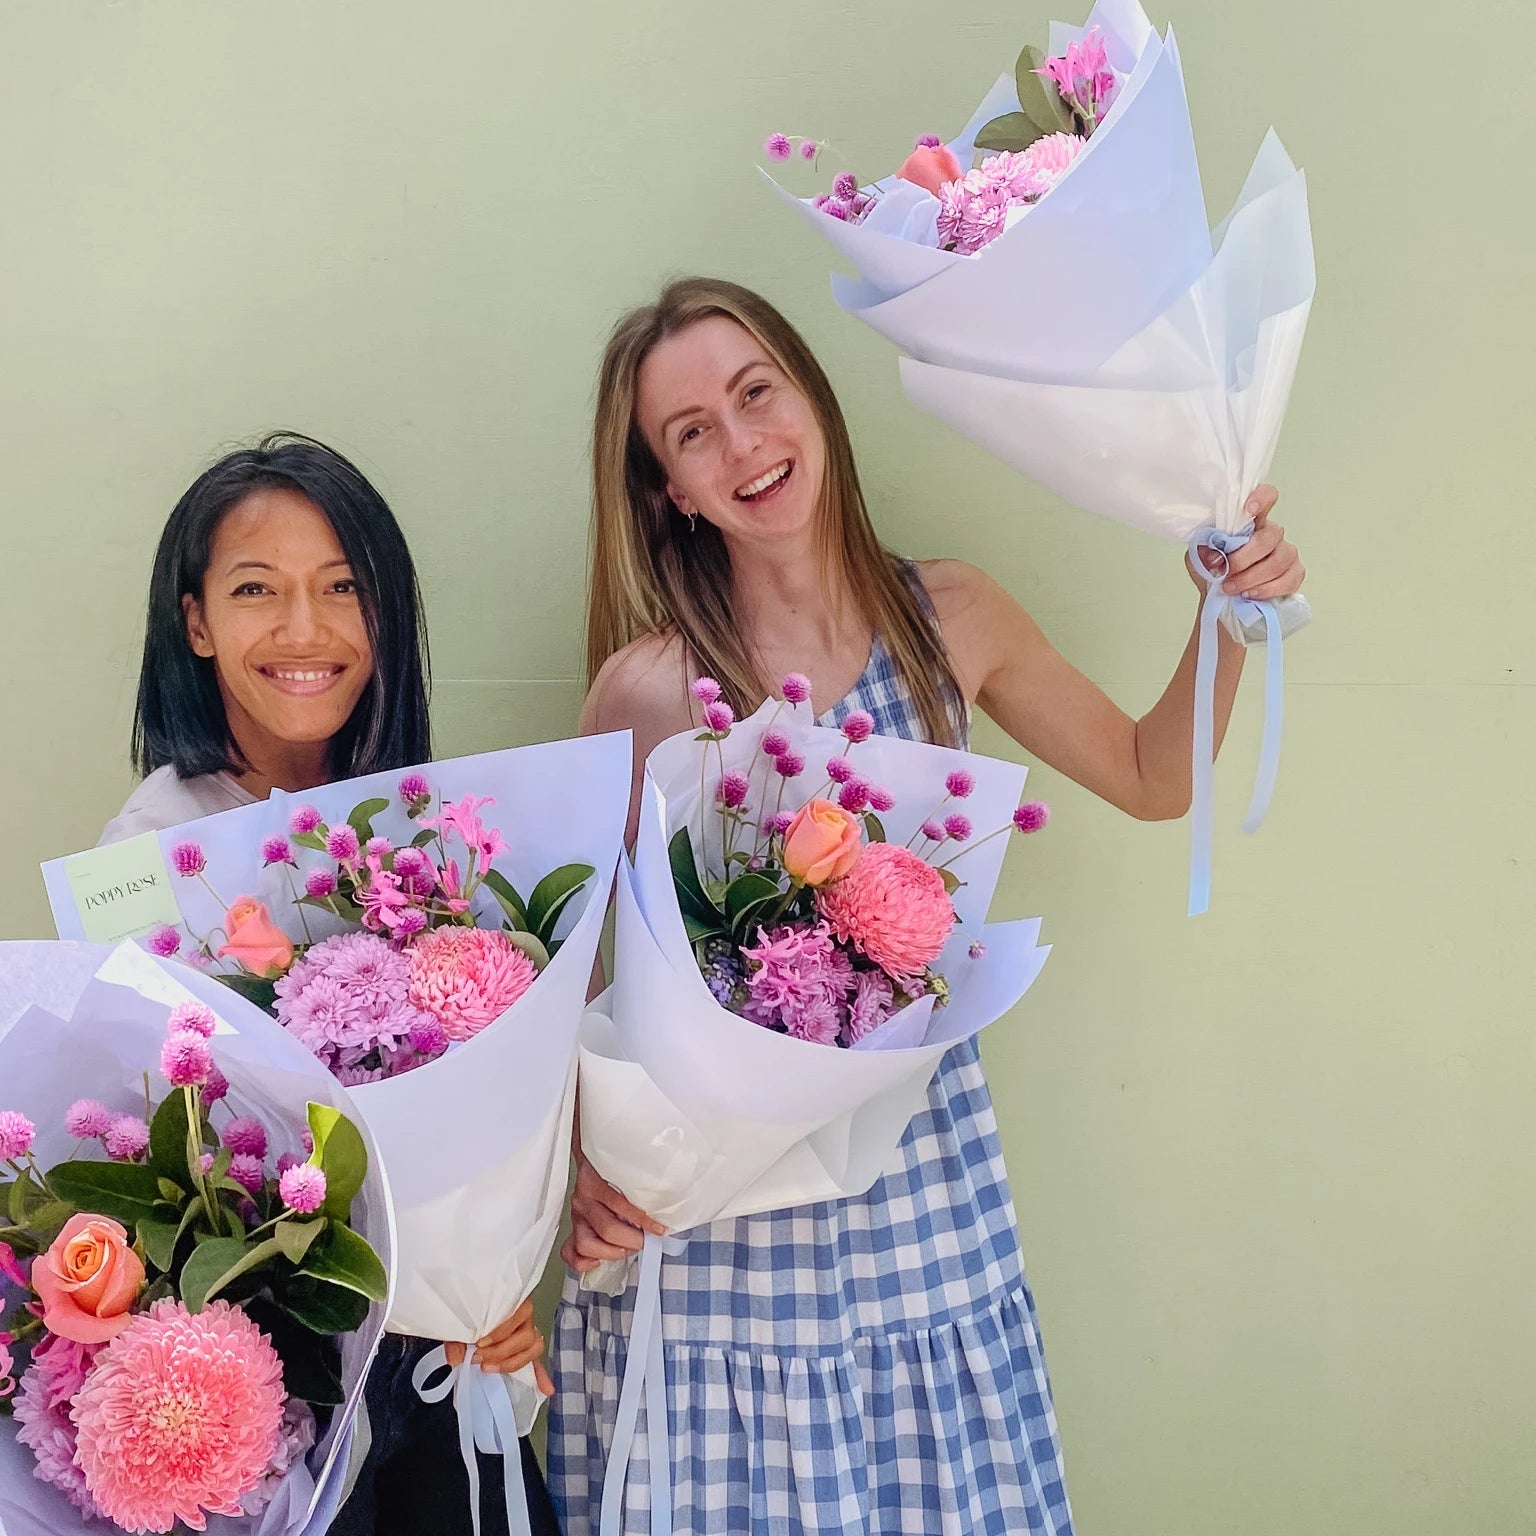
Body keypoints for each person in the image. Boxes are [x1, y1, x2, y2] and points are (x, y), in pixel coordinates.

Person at [549, 279, 1306, 1534]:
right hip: (721, 1244)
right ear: (667, 491)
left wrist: (1232, 609)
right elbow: (580, 1000)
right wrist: (587, 1170)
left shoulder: (950, 618)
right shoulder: (649, 692)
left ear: (812, 399)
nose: (743, 445)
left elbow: (1148, 774)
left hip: (925, 1200)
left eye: (756, 394)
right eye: (691, 433)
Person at [101, 431, 558, 1536]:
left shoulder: (418, 840)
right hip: (280, 1408)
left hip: (441, 1384)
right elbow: (153, 1177)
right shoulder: (151, 865)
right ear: (196, 620)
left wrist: (490, 1285)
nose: (305, 631)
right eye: (258, 590)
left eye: (342, 589)